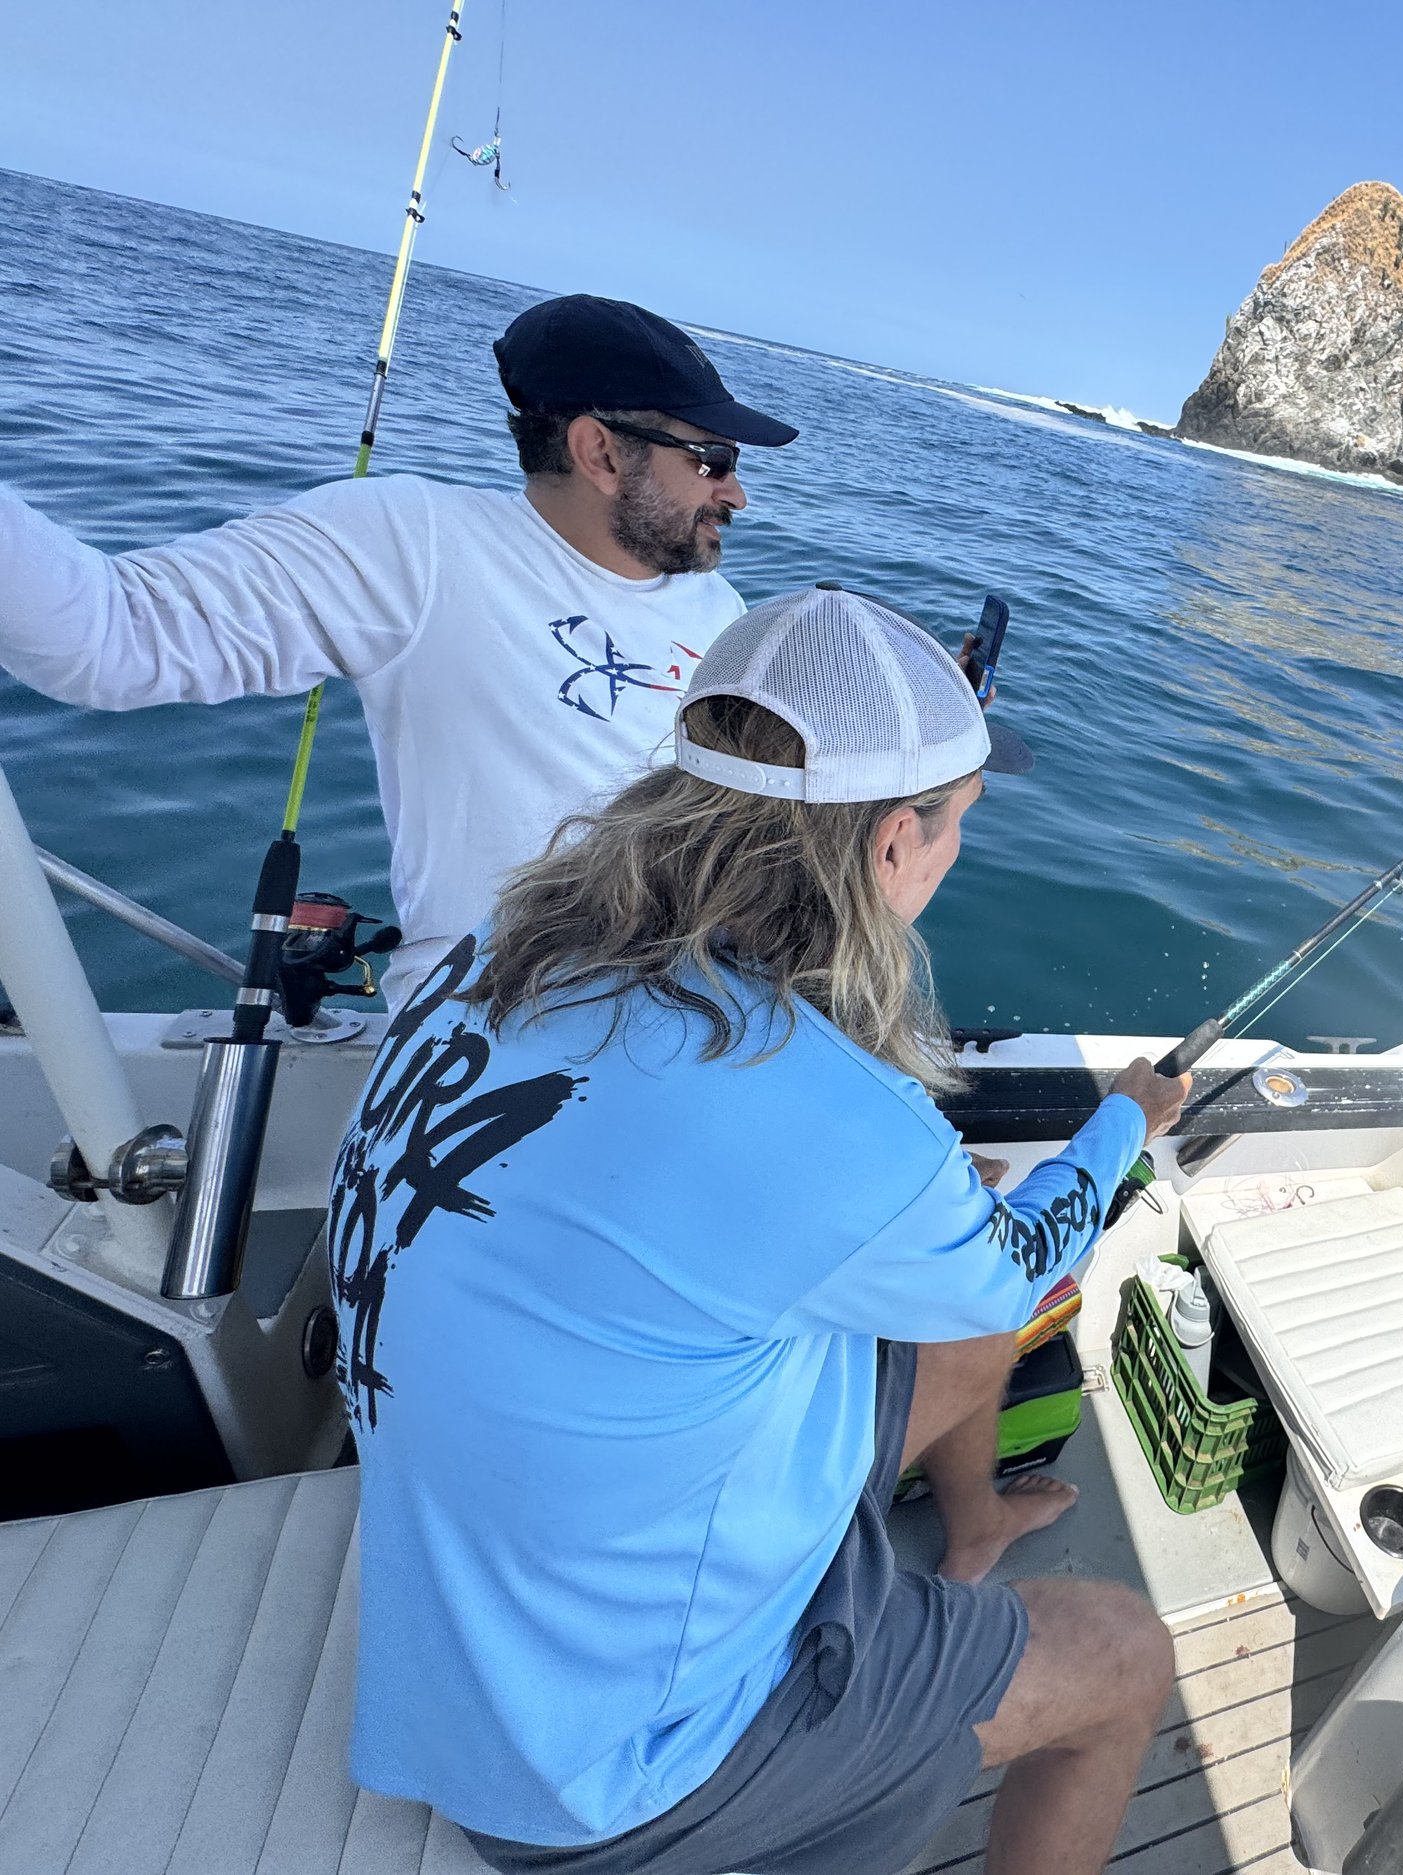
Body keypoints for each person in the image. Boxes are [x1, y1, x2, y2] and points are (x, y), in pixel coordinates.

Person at [325, 582, 1185, 1875]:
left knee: (933, 1318)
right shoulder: (831, 1119)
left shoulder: (499, 947)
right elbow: (1013, 1261)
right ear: (894, 844)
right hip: (598, 1768)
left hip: (461, 1626)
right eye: (953, 823)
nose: (953, 850)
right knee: (1123, 1652)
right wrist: (1122, 1123)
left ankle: (971, 1531)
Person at [0, 293, 797, 994]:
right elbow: (106, 635)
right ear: (601, 452)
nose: (736, 492)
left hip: (686, 1007)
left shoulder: (719, 608)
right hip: (491, 1032)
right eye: (711, 459)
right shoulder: (414, 542)